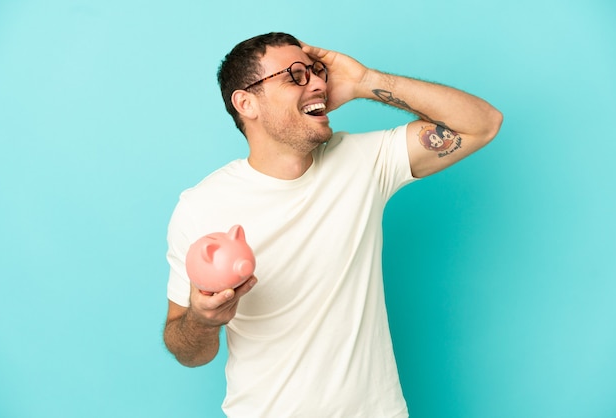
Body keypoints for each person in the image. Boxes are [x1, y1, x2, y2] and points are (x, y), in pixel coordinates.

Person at [163, 32, 502, 417]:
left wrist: (363, 81)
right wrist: (203, 321)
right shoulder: (201, 206)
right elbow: (186, 349)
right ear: (246, 102)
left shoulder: (364, 161)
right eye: (295, 75)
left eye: (317, 71)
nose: (320, 84)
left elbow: (483, 124)